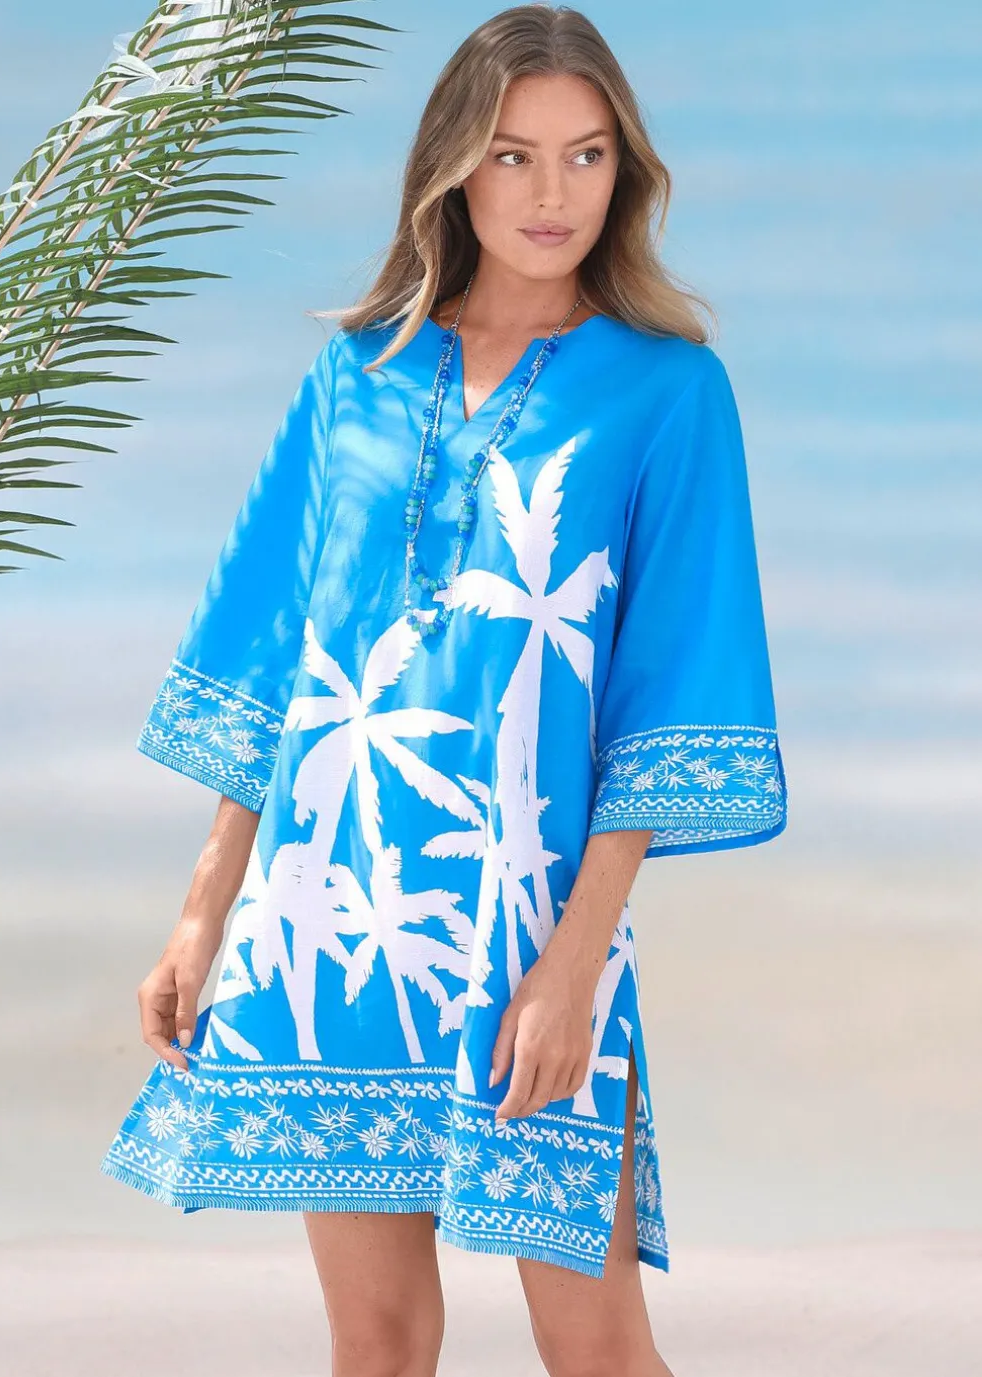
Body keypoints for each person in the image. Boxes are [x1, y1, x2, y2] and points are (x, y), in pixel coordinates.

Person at [100, 6, 787, 1375]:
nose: (551, 194)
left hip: (525, 930)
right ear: (453, 169)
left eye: (586, 156)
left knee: (592, 1345)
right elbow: (277, 656)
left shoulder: (668, 392)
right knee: (378, 1342)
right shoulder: (353, 374)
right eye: (514, 155)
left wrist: (573, 966)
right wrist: (202, 916)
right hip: (329, 917)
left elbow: (662, 699)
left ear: (625, 171)